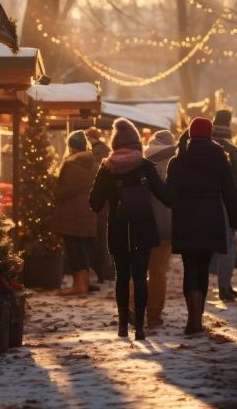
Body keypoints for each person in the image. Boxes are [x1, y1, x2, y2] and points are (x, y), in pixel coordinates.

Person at [89, 118, 171, 340]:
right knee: (140, 275)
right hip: (143, 230)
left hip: (117, 230)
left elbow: (94, 203)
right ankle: (141, 328)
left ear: (115, 144)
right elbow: (166, 197)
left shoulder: (106, 168)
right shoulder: (145, 167)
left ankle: (123, 325)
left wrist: (112, 200)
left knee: (122, 277)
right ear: (136, 144)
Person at [165, 118, 237, 334]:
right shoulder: (219, 159)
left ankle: (193, 318)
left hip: (186, 220)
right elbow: (230, 193)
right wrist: (235, 223)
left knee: (190, 267)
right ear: (209, 134)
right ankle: (198, 317)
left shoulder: (178, 161)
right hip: (211, 219)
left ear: (190, 134)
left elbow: (170, 196)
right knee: (204, 270)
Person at [136, 130, 176, 327]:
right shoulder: (175, 161)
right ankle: (153, 314)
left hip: (143, 223)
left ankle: (134, 310)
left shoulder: (142, 161)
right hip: (166, 225)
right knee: (158, 271)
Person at [51, 131, 99, 296]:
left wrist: (55, 190)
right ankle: (83, 282)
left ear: (70, 146)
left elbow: (64, 190)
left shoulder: (72, 164)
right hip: (87, 212)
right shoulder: (92, 163)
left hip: (71, 213)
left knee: (74, 248)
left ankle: (79, 285)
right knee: (81, 247)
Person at [210, 110, 237, 301]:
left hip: (202, 205)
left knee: (204, 247)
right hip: (226, 204)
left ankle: (200, 289)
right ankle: (225, 286)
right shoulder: (232, 152)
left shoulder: (198, 149)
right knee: (229, 246)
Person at [86, 127, 115, 283]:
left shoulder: (93, 156)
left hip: (100, 205)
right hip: (108, 205)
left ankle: (105, 271)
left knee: (101, 241)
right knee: (105, 240)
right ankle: (108, 271)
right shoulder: (107, 152)